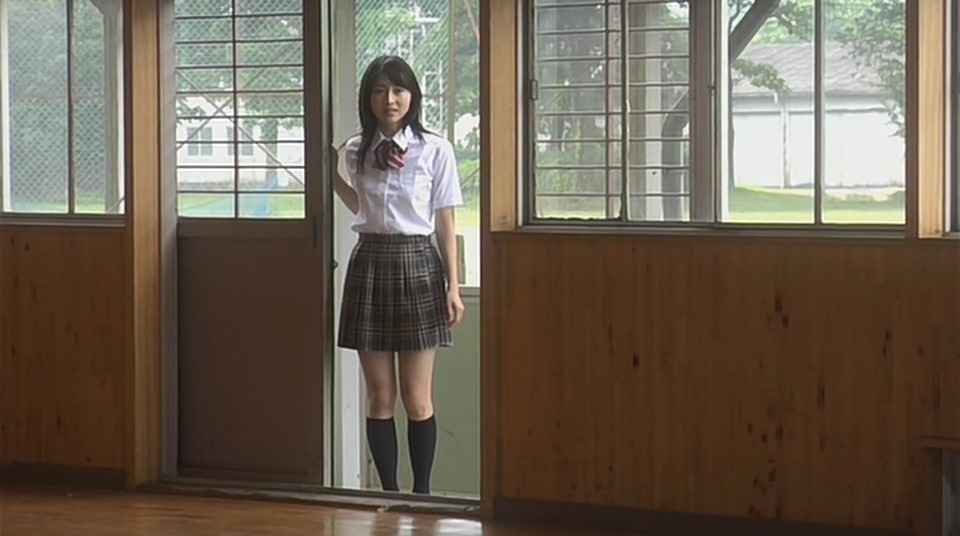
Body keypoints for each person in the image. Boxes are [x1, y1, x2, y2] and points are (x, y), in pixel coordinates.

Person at [329, 55, 465, 495]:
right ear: (367, 98)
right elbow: (361, 206)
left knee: (417, 397)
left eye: (398, 90)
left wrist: (453, 286)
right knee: (380, 397)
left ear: (412, 96)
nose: (389, 99)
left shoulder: (435, 149)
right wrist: (330, 173)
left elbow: (445, 221)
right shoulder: (355, 150)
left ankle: (421, 494)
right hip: (369, 263)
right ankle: (388, 495)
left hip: (418, 265)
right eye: (379, 91)